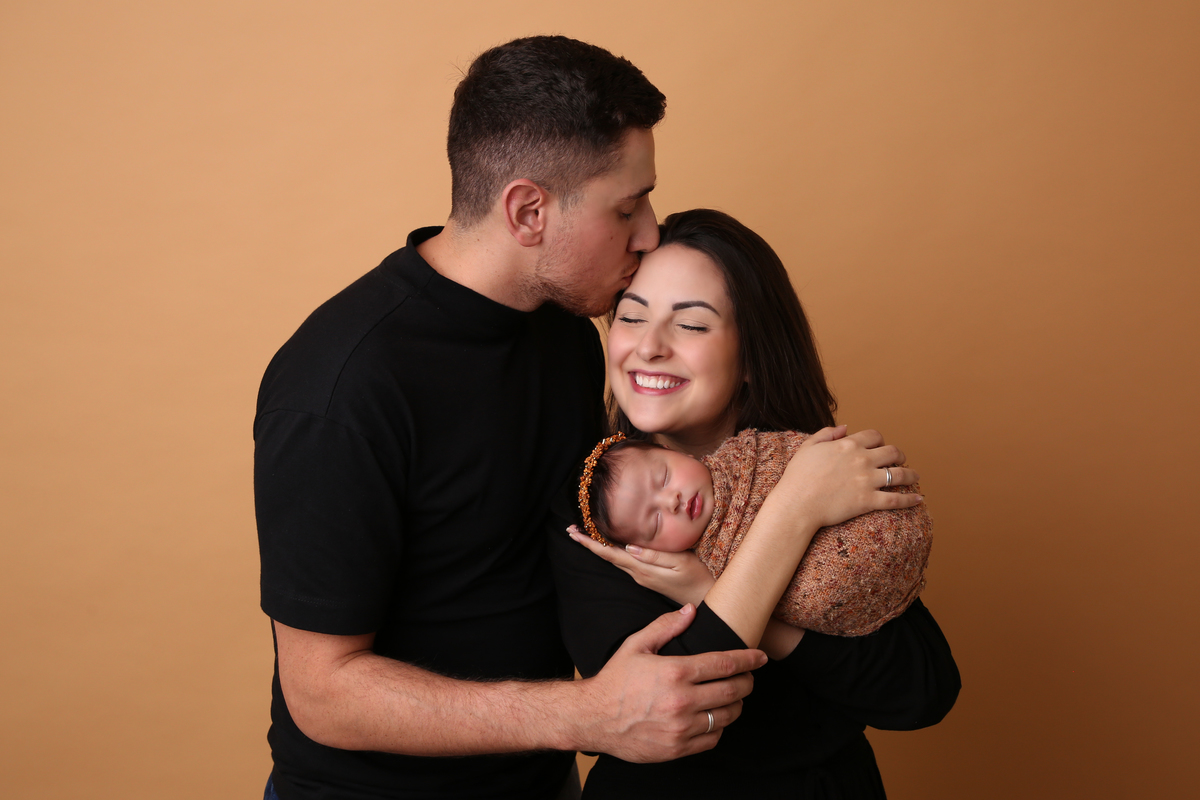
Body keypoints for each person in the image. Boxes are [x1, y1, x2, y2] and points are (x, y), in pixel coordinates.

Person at [253, 39, 768, 800]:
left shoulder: (568, 333)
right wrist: (586, 716)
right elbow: (322, 693)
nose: (651, 233)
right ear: (529, 211)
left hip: (543, 778)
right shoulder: (341, 387)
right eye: (627, 207)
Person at [548, 208, 960, 798]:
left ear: (750, 355)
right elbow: (667, 707)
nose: (649, 346)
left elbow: (922, 691)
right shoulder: (594, 509)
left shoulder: (811, 466)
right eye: (631, 317)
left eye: (691, 325)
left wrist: (714, 581)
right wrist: (791, 515)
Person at [578, 427, 932, 636]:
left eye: (664, 477)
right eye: (654, 522)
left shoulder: (750, 452)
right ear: (652, 551)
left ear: (671, 451)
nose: (671, 502)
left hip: (889, 517)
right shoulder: (716, 573)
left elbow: (799, 452)